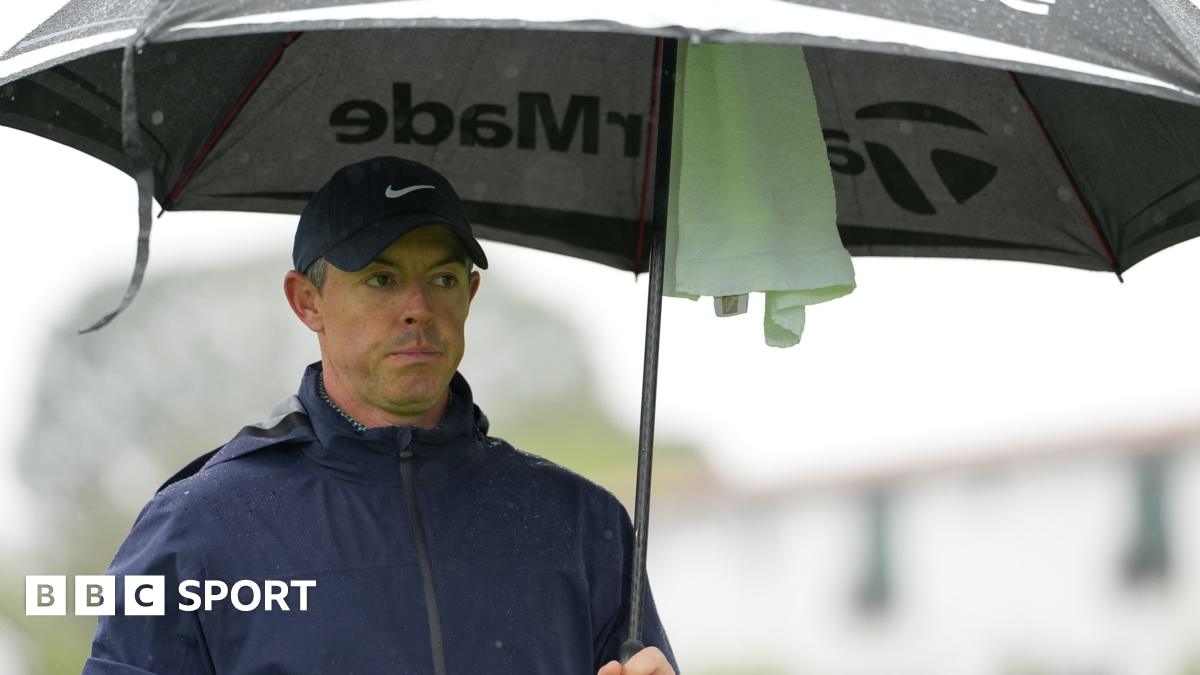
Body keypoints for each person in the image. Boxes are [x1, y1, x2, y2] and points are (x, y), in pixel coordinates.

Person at [83, 156, 679, 675]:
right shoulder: (197, 528)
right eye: (381, 279)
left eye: (442, 278)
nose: (417, 308)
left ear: (469, 296)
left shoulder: (582, 525)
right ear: (307, 300)